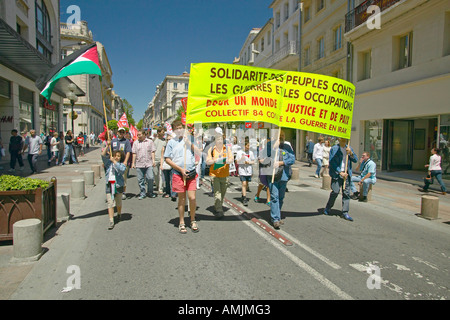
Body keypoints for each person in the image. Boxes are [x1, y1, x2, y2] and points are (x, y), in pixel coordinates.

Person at [164, 120, 200, 233]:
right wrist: (180, 169)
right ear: (174, 130)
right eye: (177, 128)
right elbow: (167, 159)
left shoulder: (190, 139)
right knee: (182, 199)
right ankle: (181, 221)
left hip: (191, 172)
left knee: (192, 197)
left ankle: (193, 219)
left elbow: (198, 152)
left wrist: (189, 143)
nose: (180, 130)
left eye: (181, 127)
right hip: (178, 173)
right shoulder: (171, 142)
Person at [323, 137, 358, 221]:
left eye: (345, 139)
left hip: (346, 174)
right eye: (342, 139)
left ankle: (345, 212)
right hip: (337, 174)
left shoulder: (349, 148)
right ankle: (328, 207)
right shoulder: (335, 148)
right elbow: (332, 162)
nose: (344, 140)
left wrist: (351, 153)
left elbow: (355, 160)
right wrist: (340, 172)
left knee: (346, 193)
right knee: (335, 191)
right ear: (339, 139)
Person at [267, 130, 295, 229]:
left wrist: (281, 163)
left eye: (283, 135)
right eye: (279, 136)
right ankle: (275, 219)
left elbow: (292, 159)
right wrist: (274, 148)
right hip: (272, 176)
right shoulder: (269, 145)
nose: (281, 137)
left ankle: (276, 215)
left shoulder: (287, 147)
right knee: (274, 197)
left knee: (281, 197)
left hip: (283, 176)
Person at [206, 127, 233, 218]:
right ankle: (219, 210)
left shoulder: (227, 149)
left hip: (224, 175)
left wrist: (226, 161)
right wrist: (215, 161)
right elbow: (208, 162)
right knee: (217, 192)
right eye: (218, 139)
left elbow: (231, 160)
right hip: (214, 174)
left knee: (222, 193)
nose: (220, 141)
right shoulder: (211, 149)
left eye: (221, 139)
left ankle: (218, 205)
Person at [102, 144, 126, 230]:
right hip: (110, 184)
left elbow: (122, 170)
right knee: (110, 203)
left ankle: (119, 213)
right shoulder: (108, 163)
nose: (116, 157)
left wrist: (115, 162)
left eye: (118, 156)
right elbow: (103, 155)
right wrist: (107, 146)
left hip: (118, 185)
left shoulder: (121, 165)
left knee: (118, 203)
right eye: (115, 156)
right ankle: (111, 220)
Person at [132, 130, 157, 200]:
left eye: (139, 135)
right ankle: (142, 192)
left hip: (148, 163)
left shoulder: (150, 142)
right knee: (140, 180)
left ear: (144, 135)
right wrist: (133, 163)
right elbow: (134, 153)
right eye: (137, 135)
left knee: (150, 178)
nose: (138, 136)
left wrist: (153, 161)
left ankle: (150, 192)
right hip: (139, 163)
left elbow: (152, 152)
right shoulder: (135, 143)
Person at [111, 127, 132, 199]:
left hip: (122, 163)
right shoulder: (113, 141)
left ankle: (123, 192)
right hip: (114, 162)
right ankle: (114, 191)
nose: (121, 133)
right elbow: (109, 151)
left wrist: (125, 161)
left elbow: (128, 152)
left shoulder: (126, 141)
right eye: (120, 132)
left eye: (123, 132)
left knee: (123, 178)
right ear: (117, 133)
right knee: (113, 177)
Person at [236, 139, 255, 206]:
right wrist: (241, 159)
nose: (248, 147)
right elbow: (236, 162)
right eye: (247, 146)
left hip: (248, 170)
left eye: (249, 146)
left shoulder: (251, 153)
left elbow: (253, 161)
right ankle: (244, 198)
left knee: (246, 184)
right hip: (242, 170)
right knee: (243, 184)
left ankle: (243, 194)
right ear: (244, 145)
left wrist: (249, 162)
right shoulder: (239, 152)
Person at [161, 133, 176, 200]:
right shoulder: (164, 147)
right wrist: (161, 165)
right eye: (167, 139)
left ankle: (173, 194)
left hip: (173, 165)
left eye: (170, 139)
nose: (168, 141)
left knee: (173, 180)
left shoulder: (175, 147)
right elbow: (162, 157)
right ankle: (168, 192)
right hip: (166, 165)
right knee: (167, 180)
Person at [153, 128, 166, 195]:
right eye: (162, 132)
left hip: (162, 159)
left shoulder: (165, 141)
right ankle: (157, 184)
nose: (164, 133)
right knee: (155, 174)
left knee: (161, 174)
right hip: (155, 159)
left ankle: (160, 188)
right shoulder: (154, 140)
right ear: (158, 132)